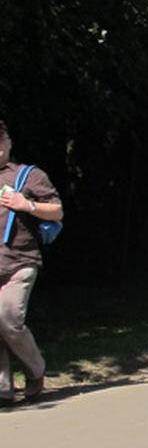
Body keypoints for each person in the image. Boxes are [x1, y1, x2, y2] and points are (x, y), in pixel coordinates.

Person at [0, 119, 63, 404]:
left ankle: (36, 370)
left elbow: (57, 211)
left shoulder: (28, 176)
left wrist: (28, 206)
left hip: (20, 262)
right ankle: (2, 388)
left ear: (9, 142)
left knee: (9, 318)